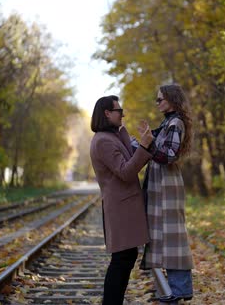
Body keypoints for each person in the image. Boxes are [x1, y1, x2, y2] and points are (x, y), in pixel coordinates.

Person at [89, 95, 154, 305]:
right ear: (107, 113)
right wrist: (144, 147)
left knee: (125, 257)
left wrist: (140, 141)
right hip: (120, 208)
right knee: (121, 260)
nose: (122, 114)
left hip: (124, 206)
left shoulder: (112, 137)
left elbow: (130, 158)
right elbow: (126, 172)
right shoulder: (103, 141)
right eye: (119, 110)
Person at [141, 84, 194, 303]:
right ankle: (174, 290)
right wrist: (143, 139)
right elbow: (152, 145)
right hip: (161, 185)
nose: (157, 103)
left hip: (167, 184)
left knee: (173, 237)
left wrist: (149, 144)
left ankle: (179, 291)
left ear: (171, 99)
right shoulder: (167, 123)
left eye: (160, 99)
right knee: (164, 236)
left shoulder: (175, 123)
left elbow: (168, 155)